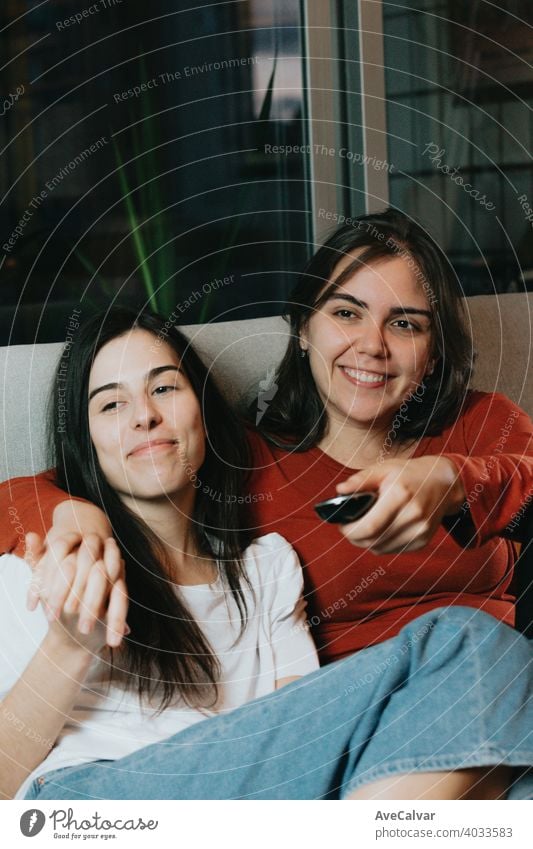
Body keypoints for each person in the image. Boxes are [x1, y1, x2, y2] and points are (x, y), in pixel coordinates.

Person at [1, 212, 533, 798]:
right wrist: (78, 515)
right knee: (469, 643)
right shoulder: (248, 465)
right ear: (304, 327)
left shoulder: (484, 426)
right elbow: (81, 475)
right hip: (360, 728)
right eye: (346, 312)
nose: (372, 345)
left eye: (405, 323)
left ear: (433, 352)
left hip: (480, 718)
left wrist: (456, 481)